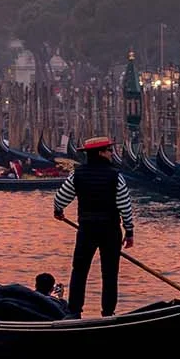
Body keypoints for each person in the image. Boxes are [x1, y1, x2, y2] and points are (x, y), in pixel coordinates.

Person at [54, 135, 136, 318]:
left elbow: (60, 198)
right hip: (110, 230)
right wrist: (129, 231)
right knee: (109, 274)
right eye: (108, 150)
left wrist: (58, 211)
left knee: (79, 270)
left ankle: (74, 312)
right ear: (100, 153)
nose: (111, 153)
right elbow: (125, 206)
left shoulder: (78, 174)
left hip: (86, 230)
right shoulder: (116, 176)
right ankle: (108, 313)